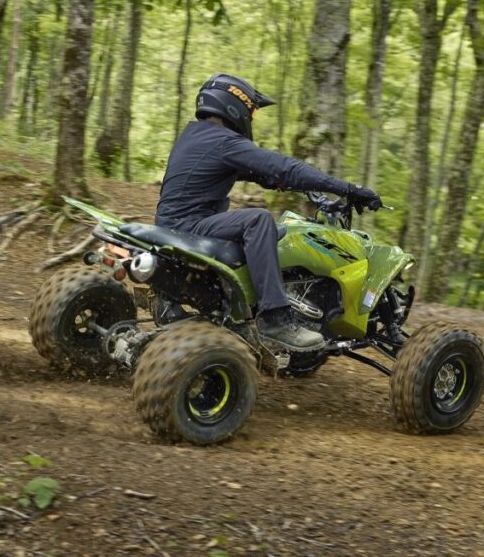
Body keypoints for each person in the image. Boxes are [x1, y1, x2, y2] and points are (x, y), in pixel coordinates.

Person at [155, 73, 382, 352]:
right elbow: (284, 166)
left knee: (253, 225)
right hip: (190, 225)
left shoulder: (194, 135)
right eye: (251, 111)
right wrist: (347, 189)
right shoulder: (226, 142)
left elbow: (261, 173)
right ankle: (275, 319)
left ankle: (181, 304)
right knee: (259, 220)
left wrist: (293, 185)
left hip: (170, 224)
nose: (251, 118)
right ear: (235, 105)